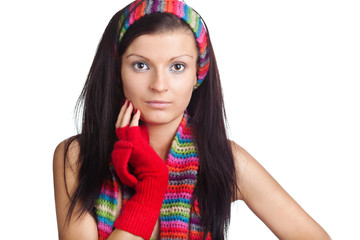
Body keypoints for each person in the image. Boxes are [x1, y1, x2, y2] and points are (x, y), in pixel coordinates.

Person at [53, 0, 331, 239]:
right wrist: (151, 186)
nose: (159, 85)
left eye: (177, 67)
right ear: (117, 71)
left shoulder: (224, 159)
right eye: (141, 65)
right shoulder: (76, 156)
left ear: (198, 74)